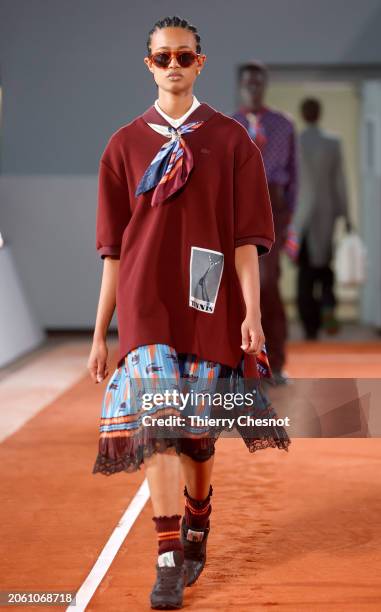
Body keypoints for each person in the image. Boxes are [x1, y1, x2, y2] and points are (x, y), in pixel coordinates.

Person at [87, 16, 291, 610]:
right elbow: (114, 250)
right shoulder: (123, 145)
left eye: (183, 56)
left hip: (210, 299)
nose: (172, 66)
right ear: (147, 64)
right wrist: (101, 333)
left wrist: (251, 315)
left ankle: (199, 514)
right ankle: (169, 559)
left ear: (200, 62)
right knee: (159, 428)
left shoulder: (230, 141)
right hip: (146, 301)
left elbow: (246, 240)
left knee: (198, 440)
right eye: (162, 58)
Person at [232, 61, 298, 385]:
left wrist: (289, 225)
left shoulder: (283, 125)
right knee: (238, 293)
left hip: (274, 207)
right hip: (239, 208)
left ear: (265, 85)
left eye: (258, 82)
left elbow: (295, 178)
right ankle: (242, 368)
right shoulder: (229, 126)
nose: (253, 88)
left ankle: (276, 364)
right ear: (240, 87)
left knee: (268, 288)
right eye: (248, 83)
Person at [294, 97, 352, 339]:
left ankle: (310, 326)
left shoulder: (296, 142)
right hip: (327, 214)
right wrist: (346, 215)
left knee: (305, 271)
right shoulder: (332, 143)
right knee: (324, 269)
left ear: (304, 114)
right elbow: (339, 181)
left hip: (300, 218)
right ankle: (327, 309)